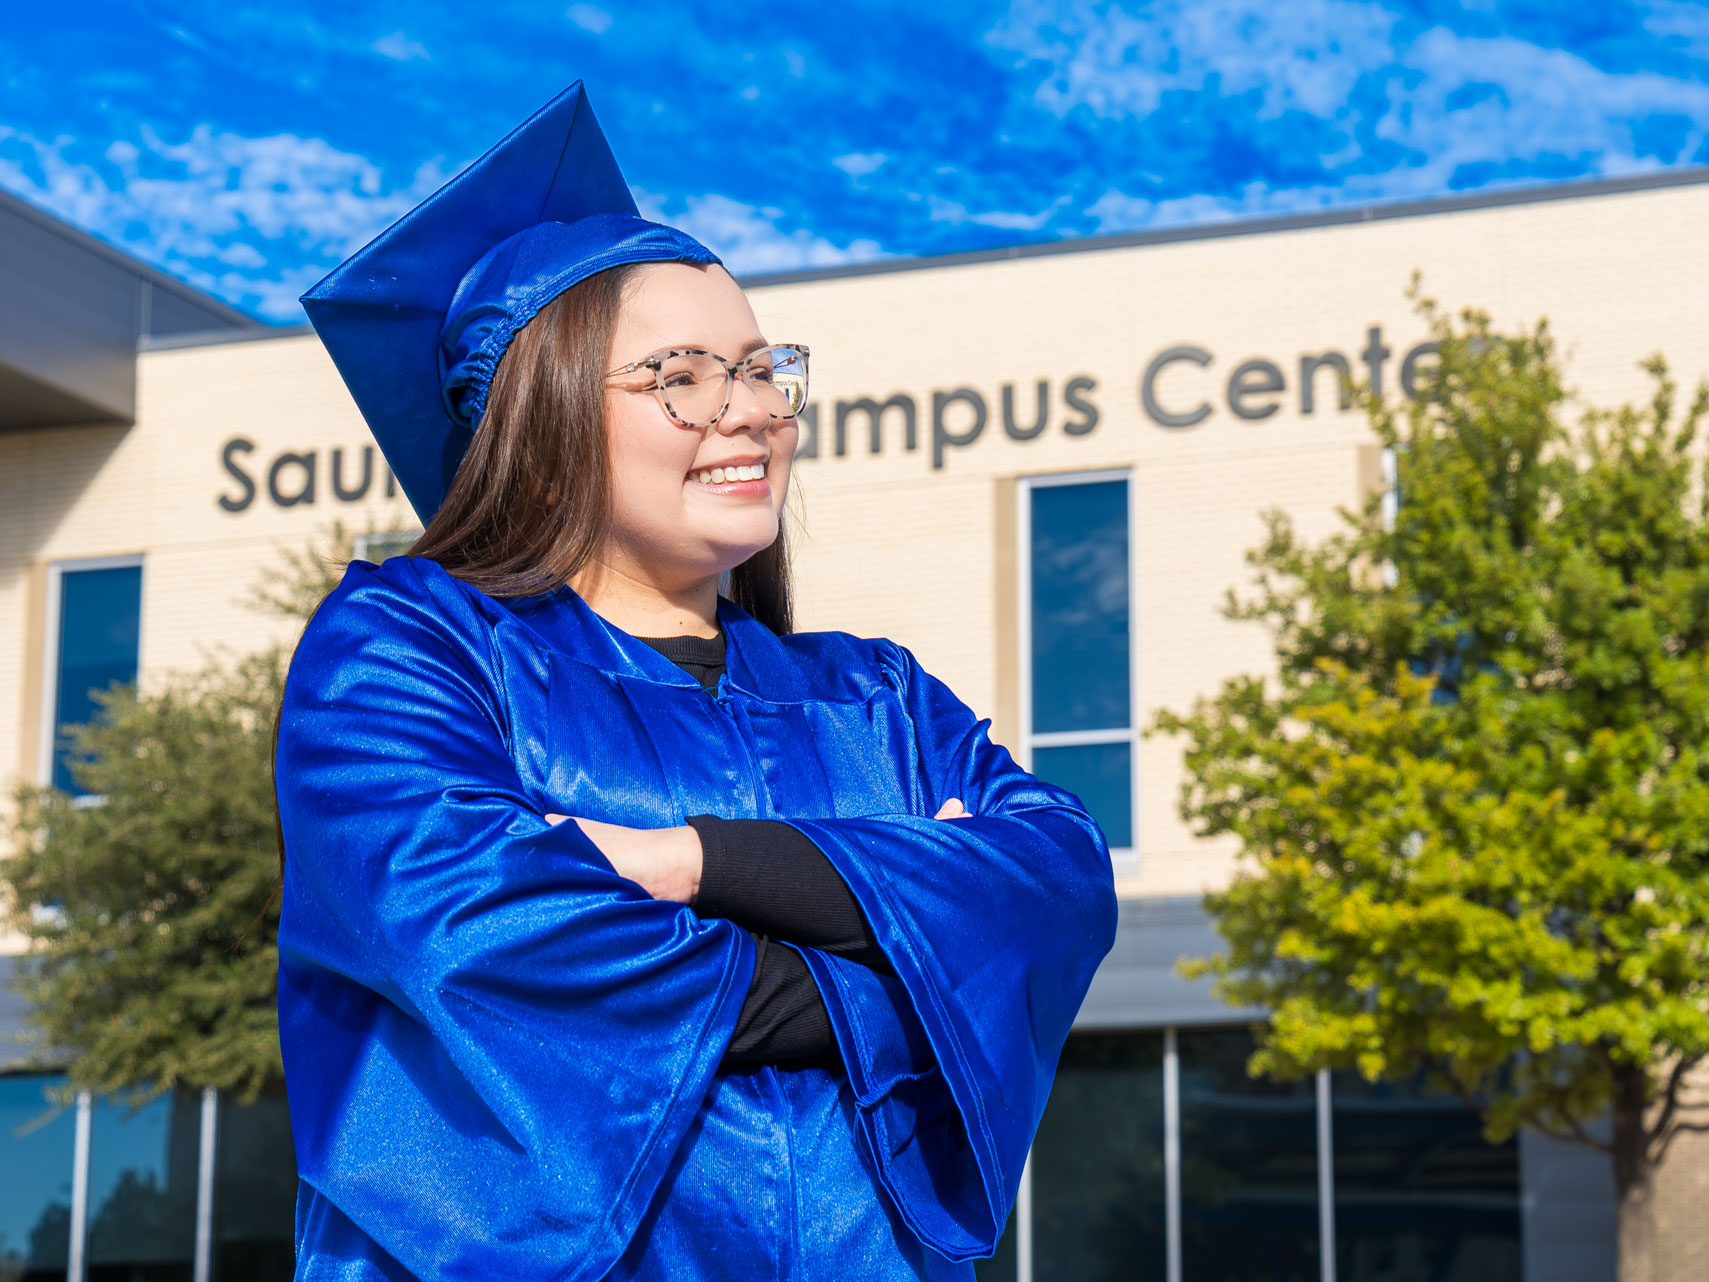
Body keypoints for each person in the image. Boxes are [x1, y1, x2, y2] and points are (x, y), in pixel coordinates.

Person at [275, 81, 1118, 1281]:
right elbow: (474, 934)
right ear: (544, 413)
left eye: (766, 369)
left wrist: (693, 862)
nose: (754, 411)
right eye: (683, 374)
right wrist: (898, 970)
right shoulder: (413, 647)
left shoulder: (875, 694)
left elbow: (1062, 880)